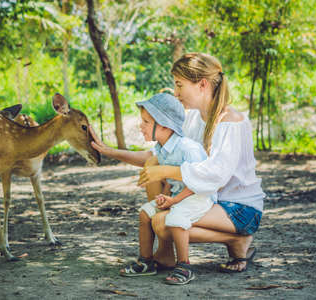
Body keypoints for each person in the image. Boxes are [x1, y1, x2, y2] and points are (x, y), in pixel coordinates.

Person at [89, 52, 265, 274]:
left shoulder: (231, 122)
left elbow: (216, 174)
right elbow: (157, 156)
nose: (176, 92)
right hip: (206, 199)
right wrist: (109, 151)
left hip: (238, 208)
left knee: (163, 223)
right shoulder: (192, 118)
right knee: (153, 168)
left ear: (202, 84)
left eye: (180, 85)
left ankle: (235, 240)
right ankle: (164, 253)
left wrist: (167, 170)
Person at [118, 93, 215, 285]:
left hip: (198, 196)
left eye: (146, 121)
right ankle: (146, 262)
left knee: (175, 218)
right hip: (179, 195)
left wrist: (175, 202)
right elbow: (171, 178)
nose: (141, 126)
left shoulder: (189, 148)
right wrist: (167, 196)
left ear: (163, 124)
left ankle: (184, 266)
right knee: (146, 213)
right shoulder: (162, 148)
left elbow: (199, 183)